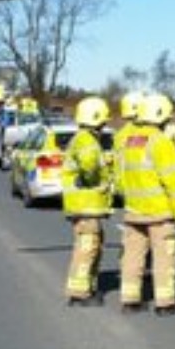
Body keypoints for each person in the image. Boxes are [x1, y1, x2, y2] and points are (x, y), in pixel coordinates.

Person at [115, 92, 175, 316]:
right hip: (159, 212)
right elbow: (173, 182)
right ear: (160, 115)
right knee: (163, 257)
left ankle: (130, 300)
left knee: (132, 257)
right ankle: (165, 303)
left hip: (133, 211)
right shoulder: (161, 141)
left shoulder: (128, 140)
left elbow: (119, 178)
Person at [62, 96, 114, 307]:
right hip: (86, 206)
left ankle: (86, 287)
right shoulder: (86, 140)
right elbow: (90, 168)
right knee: (87, 248)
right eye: (103, 120)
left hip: (86, 206)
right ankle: (80, 292)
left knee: (93, 246)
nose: (105, 124)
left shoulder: (84, 138)